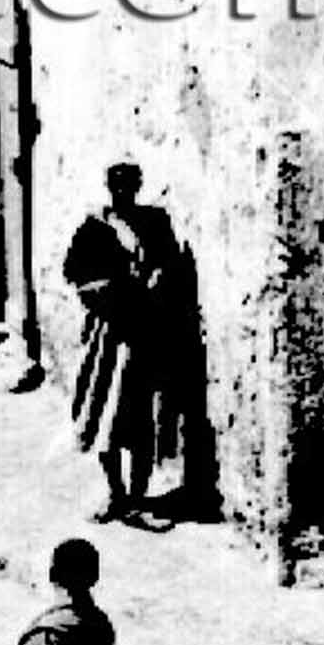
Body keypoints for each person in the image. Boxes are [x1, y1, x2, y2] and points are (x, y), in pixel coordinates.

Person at [65, 162, 206, 522]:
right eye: (117, 186)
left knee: (143, 419)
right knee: (104, 417)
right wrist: (108, 294)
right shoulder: (95, 227)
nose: (123, 192)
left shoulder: (155, 223)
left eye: (130, 185)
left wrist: (158, 281)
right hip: (109, 337)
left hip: (146, 335)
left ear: (138, 187)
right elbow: (76, 273)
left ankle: (139, 498)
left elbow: (172, 266)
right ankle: (116, 493)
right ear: (109, 187)